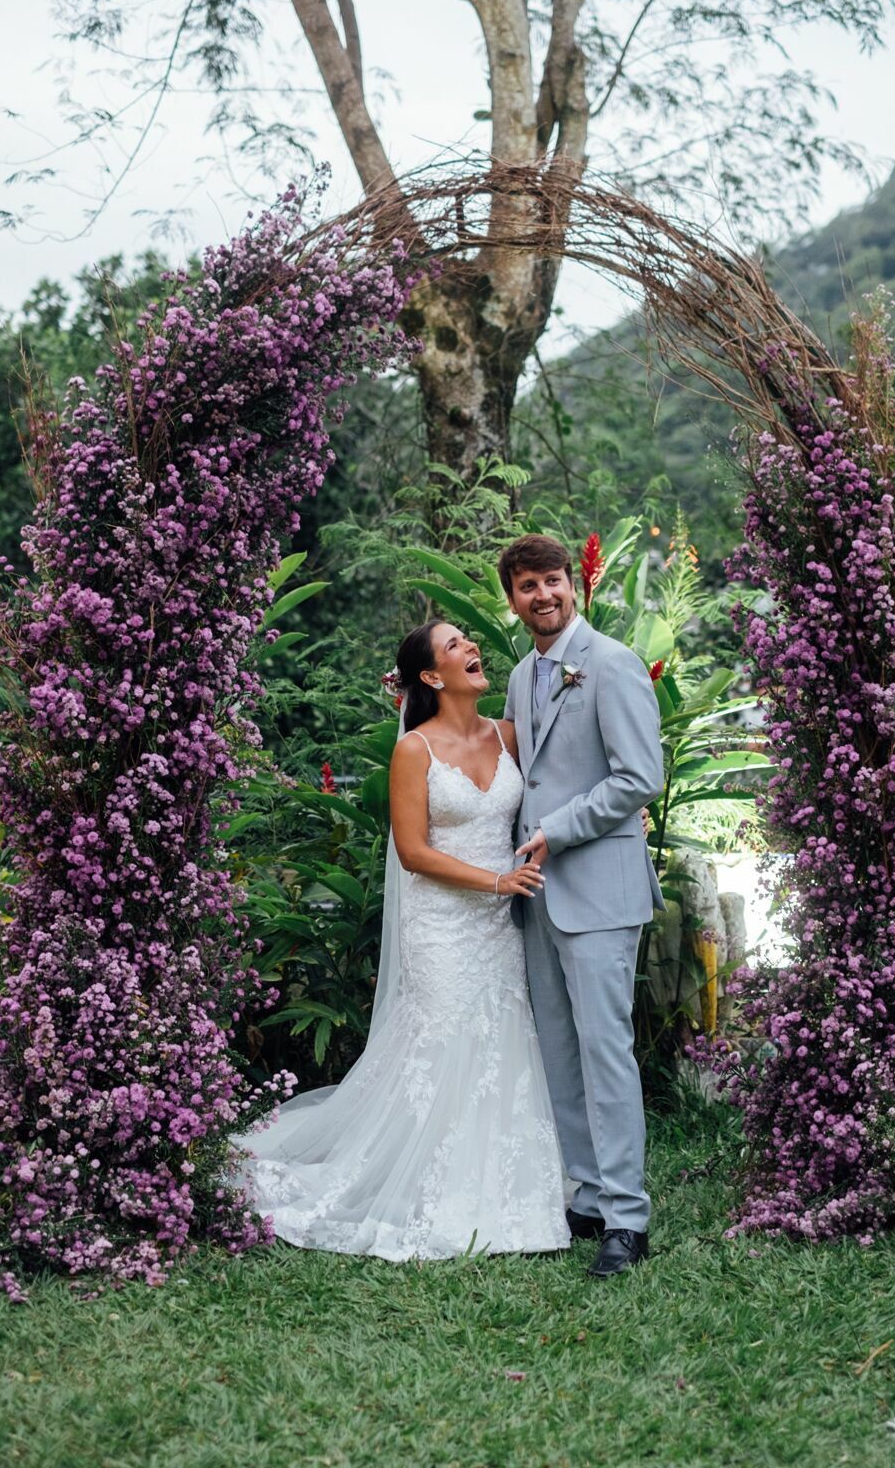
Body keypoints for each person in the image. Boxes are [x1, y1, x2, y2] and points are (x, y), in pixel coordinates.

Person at [234, 619, 570, 1260]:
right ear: (429, 676)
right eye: (454, 646)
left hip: (495, 928)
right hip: (440, 922)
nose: (471, 648)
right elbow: (413, 852)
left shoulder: (509, 736)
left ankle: (501, 1186)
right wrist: (497, 881)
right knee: (442, 1044)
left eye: (469, 640)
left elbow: (563, 781)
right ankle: (425, 1183)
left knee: (498, 1041)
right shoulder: (414, 750)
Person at [500, 533, 665, 1278]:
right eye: (528, 585)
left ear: (575, 586)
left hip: (598, 890)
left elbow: (639, 777)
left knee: (604, 1053)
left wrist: (554, 831)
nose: (544, 594)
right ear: (512, 600)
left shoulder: (611, 663)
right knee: (559, 1052)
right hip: (537, 898)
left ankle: (628, 1219)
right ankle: (589, 1196)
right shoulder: (516, 675)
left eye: (554, 580)